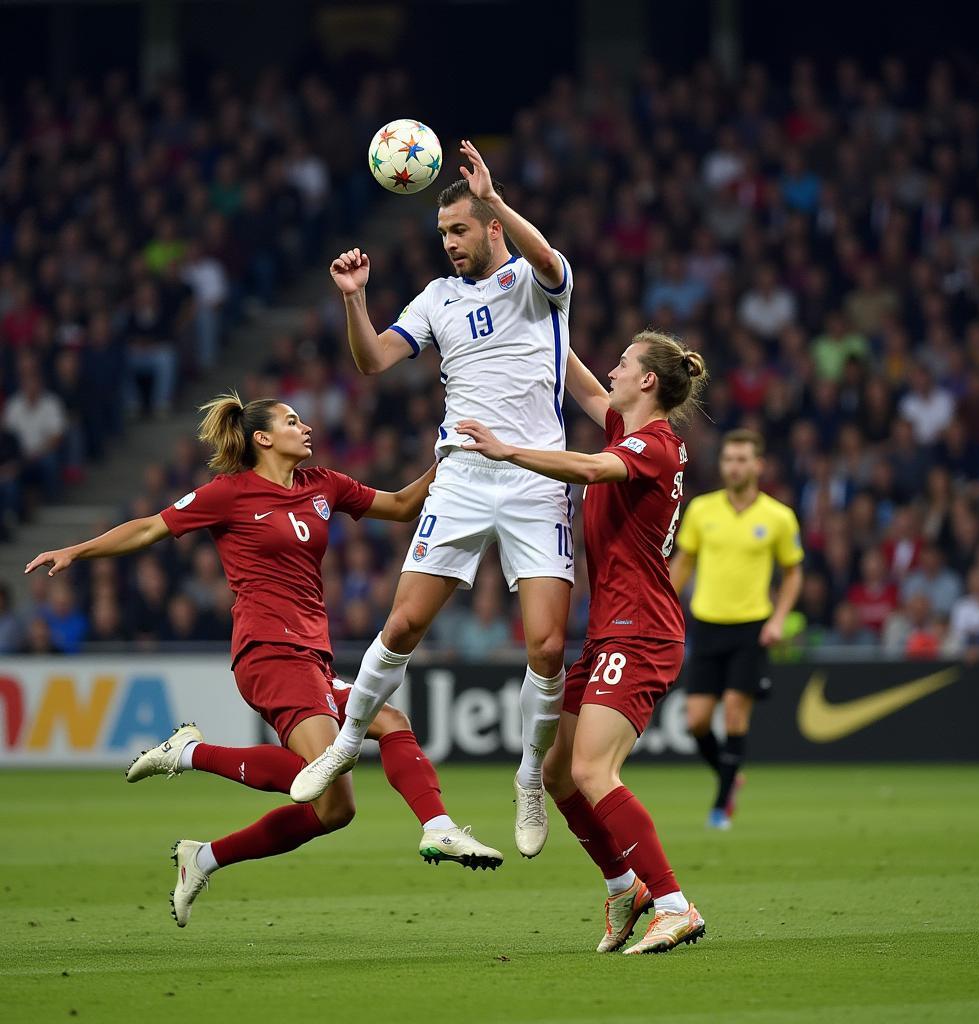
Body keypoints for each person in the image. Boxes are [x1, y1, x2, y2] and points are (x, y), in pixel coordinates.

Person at [25, 392, 501, 928]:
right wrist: (76, 550)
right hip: (268, 651)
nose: (306, 426)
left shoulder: (323, 484)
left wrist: (449, 462)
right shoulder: (230, 494)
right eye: (292, 421)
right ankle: (193, 753)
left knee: (346, 792)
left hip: (312, 655)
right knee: (323, 766)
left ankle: (202, 857)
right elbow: (149, 528)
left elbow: (398, 506)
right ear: (263, 438)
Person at [291, 141, 574, 858]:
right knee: (405, 623)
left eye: (459, 229)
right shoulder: (437, 297)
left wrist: (496, 195)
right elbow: (375, 360)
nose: (449, 243)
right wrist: (354, 302)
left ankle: (529, 778)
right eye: (442, 233)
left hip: (537, 477)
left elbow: (549, 261)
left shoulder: (536, 285)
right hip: (463, 477)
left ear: (490, 229)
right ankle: (346, 744)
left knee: (545, 645)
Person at [456, 330, 707, 956]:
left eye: (624, 362)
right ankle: (625, 887)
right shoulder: (629, 427)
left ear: (648, 380)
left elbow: (592, 468)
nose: (613, 370)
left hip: (642, 631)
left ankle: (675, 905)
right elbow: (584, 384)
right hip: (611, 629)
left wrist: (507, 451)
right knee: (555, 771)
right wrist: (540, 321)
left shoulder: (654, 445)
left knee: (594, 768)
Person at [668, 429, 804, 830]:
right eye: (729, 459)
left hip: (751, 627)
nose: (735, 466)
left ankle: (720, 807)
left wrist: (778, 619)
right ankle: (731, 775)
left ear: (758, 465)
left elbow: (794, 574)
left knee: (734, 713)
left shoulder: (778, 517)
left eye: (743, 459)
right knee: (695, 721)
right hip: (708, 625)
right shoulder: (702, 511)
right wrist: (663, 604)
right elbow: (684, 562)